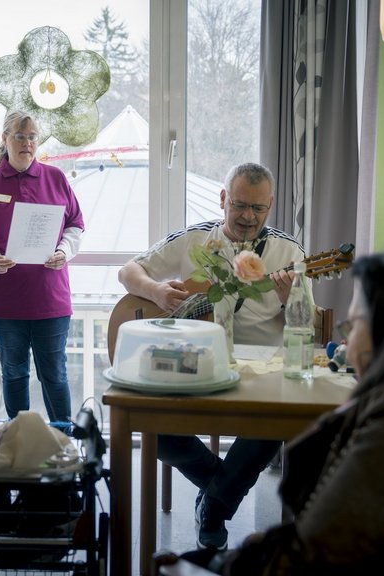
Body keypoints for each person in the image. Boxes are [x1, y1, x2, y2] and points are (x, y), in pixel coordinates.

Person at [186, 248, 384, 575]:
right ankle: (220, 491)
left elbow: (308, 553)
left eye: (353, 324)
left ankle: (216, 497)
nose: (346, 342)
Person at [118, 162, 303, 550]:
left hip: (257, 370)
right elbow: (128, 270)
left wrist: (292, 300)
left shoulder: (288, 251)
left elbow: (307, 323)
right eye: (239, 205)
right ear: (222, 199)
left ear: (270, 206)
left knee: (269, 429)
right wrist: (155, 292)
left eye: (258, 209)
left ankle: (214, 507)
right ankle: (221, 485)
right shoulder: (194, 239)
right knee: (157, 429)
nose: (248, 217)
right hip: (190, 363)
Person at [0, 110, 84, 430]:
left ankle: (65, 444)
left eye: (32, 137)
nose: (27, 143)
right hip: (4, 301)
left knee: (54, 374)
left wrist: (64, 250)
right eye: (20, 135)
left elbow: (75, 226)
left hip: (50, 299)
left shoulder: (56, 178)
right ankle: (18, 443)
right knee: (14, 373)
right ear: (5, 139)